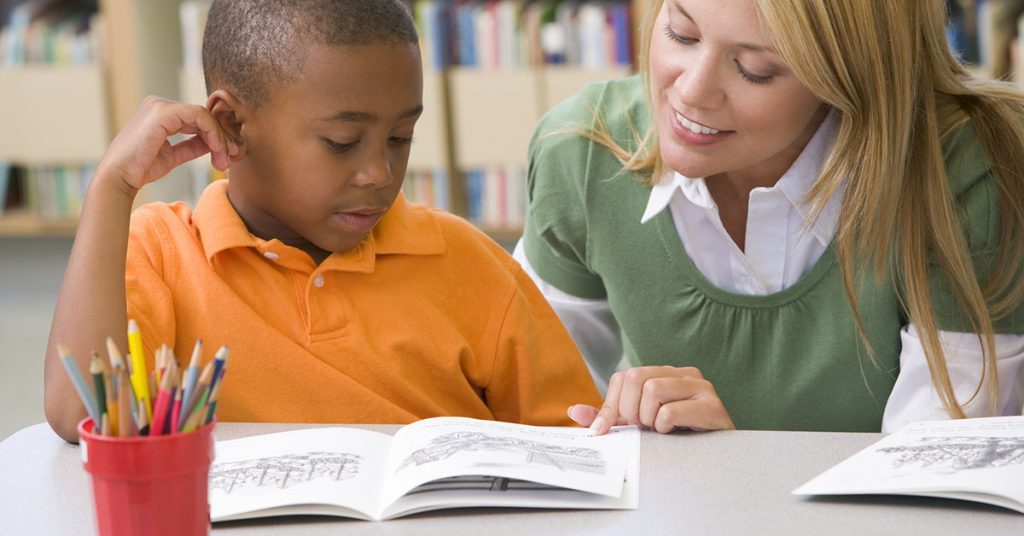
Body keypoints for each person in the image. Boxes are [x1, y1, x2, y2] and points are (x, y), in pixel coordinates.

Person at [43, 0, 600, 443]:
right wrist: (111, 188)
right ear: (231, 124)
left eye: (401, 138)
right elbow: (81, 416)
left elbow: (579, 444)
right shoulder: (161, 253)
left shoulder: (470, 264)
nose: (379, 173)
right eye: (341, 143)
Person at [515, 0, 1024, 434]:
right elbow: (534, 420)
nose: (692, 91)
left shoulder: (967, 170)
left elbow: (928, 488)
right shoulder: (580, 151)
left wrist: (744, 466)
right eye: (681, 33)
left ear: (847, 77)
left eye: (755, 68)